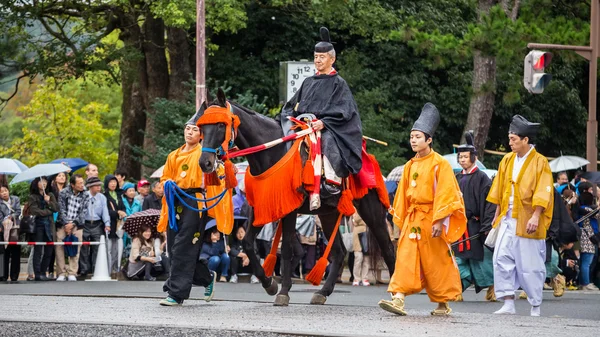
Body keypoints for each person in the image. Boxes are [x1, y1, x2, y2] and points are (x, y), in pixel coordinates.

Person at [378, 103, 466, 316]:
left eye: (418, 137)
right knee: (405, 258)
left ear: (429, 140)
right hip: (413, 220)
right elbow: (402, 197)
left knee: (436, 262)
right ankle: (398, 298)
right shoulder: (408, 165)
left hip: (431, 220)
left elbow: (447, 193)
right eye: (412, 137)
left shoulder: (440, 164)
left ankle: (443, 303)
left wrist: (439, 220)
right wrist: (399, 221)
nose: (413, 141)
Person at [280, 27, 362, 193]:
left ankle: (332, 179)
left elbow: (345, 111)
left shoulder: (339, 83)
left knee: (328, 140)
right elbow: (290, 105)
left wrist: (324, 123)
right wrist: (289, 119)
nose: (317, 60)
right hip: (303, 126)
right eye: (316, 57)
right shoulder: (308, 81)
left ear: (332, 59)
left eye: (322, 57)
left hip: (326, 127)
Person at [487, 115, 554, 317]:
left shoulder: (540, 162)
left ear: (526, 140)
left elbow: (544, 190)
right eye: (510, 139)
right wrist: (497, 214)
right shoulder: (506, 160)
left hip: (528, 218)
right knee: (501, 258)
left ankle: (535, 304)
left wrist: (536, 216)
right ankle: (508, 301)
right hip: (507, 218)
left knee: (530, 265)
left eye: (513, 139)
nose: (510, 143)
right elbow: (499, 188)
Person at [157, 108, 219, 306]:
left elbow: (215, 172)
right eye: (187, 129)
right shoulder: (173, 155)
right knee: (174, 248)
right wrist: (167, 184)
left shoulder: (204, 152)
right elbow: (165, 177)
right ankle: (206, 277)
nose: (189, 132)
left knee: (184, 245)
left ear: (201, 134)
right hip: (175, 200)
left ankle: (176, 293)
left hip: (195, 201)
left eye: (193, 129)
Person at [453, 131, 496, 302]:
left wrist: (487, 227)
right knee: (459, 259)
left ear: (474, 158)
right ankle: (457, 290)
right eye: (460, 157)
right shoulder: (455, 178)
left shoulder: (482, 178)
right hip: (459, 225)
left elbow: (490, 204)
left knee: (482, 261)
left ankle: (492, 288)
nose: (462, 159)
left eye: (465, 156)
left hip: (476, 225)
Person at [56, 174, 89, 281]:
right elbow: (61, 209)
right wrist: (66, 224)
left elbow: (84, 211)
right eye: (79, 183)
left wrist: (72, 224)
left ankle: (72, 272)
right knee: (59, 246)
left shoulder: (85, 194)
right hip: (63, 224)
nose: (82, 185)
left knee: (76, 246)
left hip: (77, 224)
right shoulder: (63, 192)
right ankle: (61, 272)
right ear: (72, 185)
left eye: (82, 183)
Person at [79, 177, 111, 277]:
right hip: (85, 223)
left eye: (99, 185)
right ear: (90, 187)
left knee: (97, 247)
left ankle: (95, 268)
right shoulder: (84, 196)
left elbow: (105, 211)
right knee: (84, 247)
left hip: (97, 224)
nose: (99, 187)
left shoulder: (102, 197)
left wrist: (107, 224)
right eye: (96, 186)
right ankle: (84, 269)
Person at [576, 182, 600, 291]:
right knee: (587, 262)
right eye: (590, 190)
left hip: (585, 236)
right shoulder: (586, 208)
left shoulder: (581, 207)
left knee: (585, 262)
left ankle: (584, 282)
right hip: (588, 237)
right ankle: (586, 283)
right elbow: (596, 214)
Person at [104, 175, 127, 276]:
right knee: (108, 248)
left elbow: (123, 208)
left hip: (118, 225)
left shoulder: (119, 195)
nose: (113, 184)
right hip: (109, 224)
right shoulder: (104, 195)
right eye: (111, 182)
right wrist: (117, 212)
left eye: (115, 182)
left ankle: (115, 269)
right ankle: (107, 270)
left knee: (117, 249)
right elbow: (105, 211)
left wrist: (123, 212)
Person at [0, 184, 22, 282]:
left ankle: (14, 276)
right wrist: (4, 220)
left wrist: (11, 216)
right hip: (3, 229)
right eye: (1, 192)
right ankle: (3, 275)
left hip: (15, 229)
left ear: (8, 190)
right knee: (3, 253)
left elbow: (18, 211)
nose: (4, 193)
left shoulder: (15, 199)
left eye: (5, 190)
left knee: (16, 253)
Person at [351, 212, 370, 286]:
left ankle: (365, 277)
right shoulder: (356, 207)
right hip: (358, 233)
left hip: (368, 231)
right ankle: (356, 278)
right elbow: (355, 218)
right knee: (358, 257)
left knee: (367, 258)